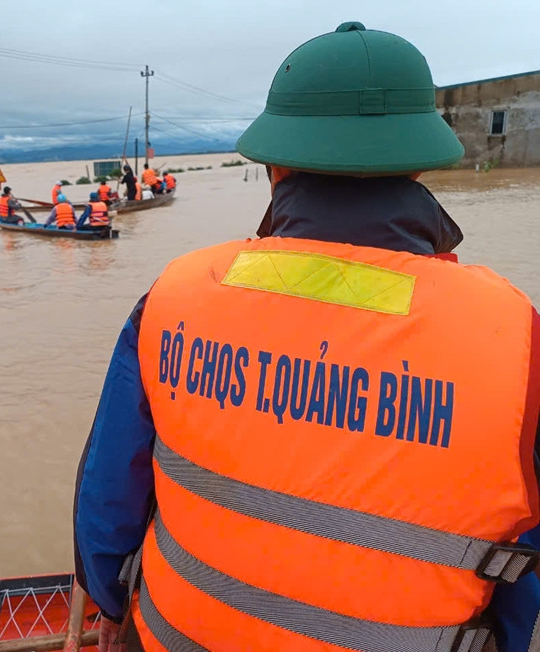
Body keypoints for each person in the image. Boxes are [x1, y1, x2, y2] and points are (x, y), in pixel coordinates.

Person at [73, 22, 540, 652]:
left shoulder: (173, 296)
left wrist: (107, 604)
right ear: (421, 160)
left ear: (275, 163)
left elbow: (108, 498)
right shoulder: (515, 340)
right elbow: (523, 567)